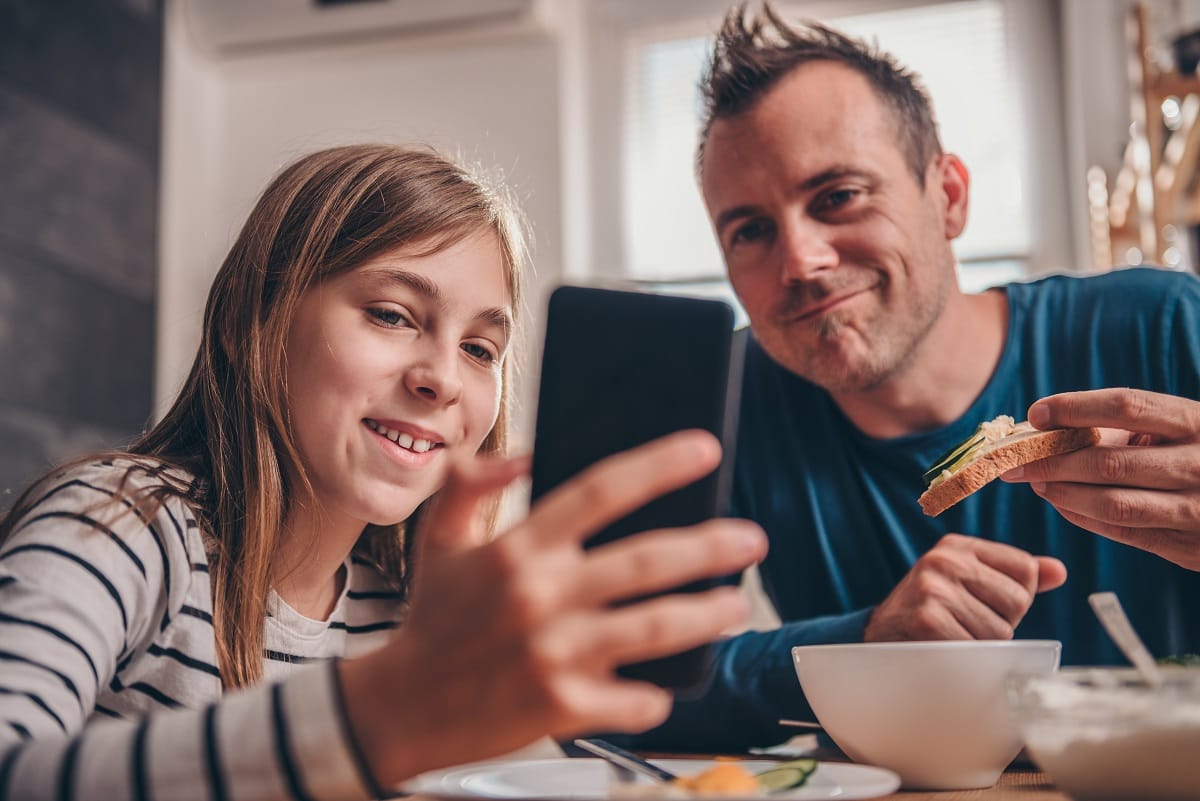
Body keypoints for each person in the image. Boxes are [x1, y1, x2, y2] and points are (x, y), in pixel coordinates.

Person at [0, 143, 768, 799]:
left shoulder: (390, 608)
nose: (443, 378)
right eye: (393, 314)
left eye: (480, 349)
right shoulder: (118, 524)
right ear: (248, 324)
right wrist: (373, 716)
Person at [627, 3, 1200, 752]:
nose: (801, 261)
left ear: (950, 196)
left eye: (838, 197)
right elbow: (614, 689)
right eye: (751, 230)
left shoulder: (1161, 328)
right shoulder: (723, 399)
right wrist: (860, 643)